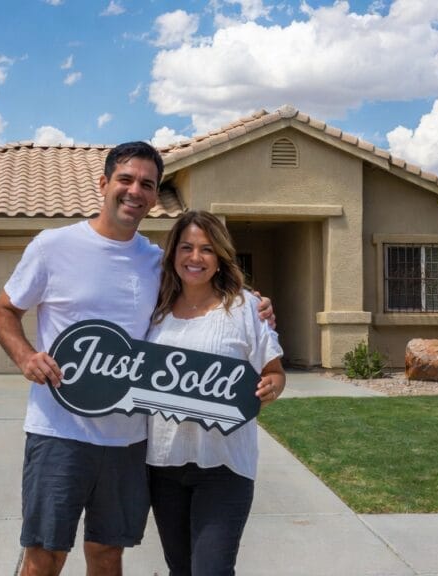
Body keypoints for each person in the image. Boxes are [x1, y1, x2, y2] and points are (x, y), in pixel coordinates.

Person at [0, 142, 272, 576]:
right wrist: (26, 356)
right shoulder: (53, 246)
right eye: (125, 179)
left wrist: (254, 304)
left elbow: (204, 294)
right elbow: (4, 311)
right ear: (104, 183)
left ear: (154, 196)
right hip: (59, 432)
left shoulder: (157, 263)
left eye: (146, 184)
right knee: (44, 555)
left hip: (128, 440)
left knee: (107, 554)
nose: (134, 191)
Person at [146, 210, 285, 576]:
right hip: (163, 464)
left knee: (212, 570)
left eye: (206, 249)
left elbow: (274, 371)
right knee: (180, 570)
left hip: (225, 465)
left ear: (220, 256)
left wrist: (273, 385)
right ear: (173, 253)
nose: (195, 258)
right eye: (187, 247)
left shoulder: (246, 308)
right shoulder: (154, 311)